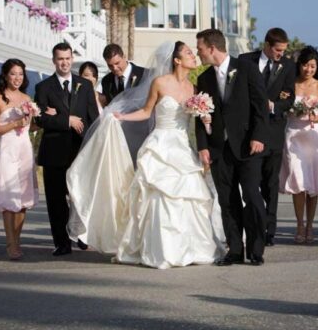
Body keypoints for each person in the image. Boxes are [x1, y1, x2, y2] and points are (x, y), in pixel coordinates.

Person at [66, 41, 224, 269]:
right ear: (176, 60)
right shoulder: (159, 83)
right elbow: (146, 111)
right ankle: (161, 248)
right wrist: (121, 118)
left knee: (188, 195)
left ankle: (192, 247)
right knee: (158, 195)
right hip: (161, 144)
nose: (193, 55)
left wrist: (206, 119)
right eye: (188, 53)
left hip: (182, 147)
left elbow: (198, 121)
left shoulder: (194, 87)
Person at [195, 29, 269, 266]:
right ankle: (235, 249)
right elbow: (200, 114)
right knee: (227, 201)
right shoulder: (204, 78)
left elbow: (260, 106)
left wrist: (258, 136)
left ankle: (257, 248)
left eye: (200, 49)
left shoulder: (246, 68)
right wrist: (203, 146)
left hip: (249, 146)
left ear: (212, 48)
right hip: (219, 149)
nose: (198, 53)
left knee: (251, 195)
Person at [34, 43, 99, 256]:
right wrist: (66, 120)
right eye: (60, 59)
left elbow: (93, 119)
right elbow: (40, 118)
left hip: (79, 152)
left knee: (80, 196)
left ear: (72, 59)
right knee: (56, 201)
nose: (64, 62)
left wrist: (88, 142)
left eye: (68, 58)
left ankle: (81, 236)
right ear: (54, 60)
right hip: (54, 153)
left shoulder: (84, 85)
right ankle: (62, 243)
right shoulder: (43, 87)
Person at [238, 28, 296, 246]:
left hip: (273, 132)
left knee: (270, 184)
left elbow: (289, 97)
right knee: (251, 184)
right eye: (278, 50)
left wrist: (275, 106)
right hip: (249, 133)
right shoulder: (245, 61)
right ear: (267, 45)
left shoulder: (288, 66)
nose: (281, 54)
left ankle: (268, 230)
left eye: (283, 50)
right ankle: (252, 225)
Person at [0, 59, 38, 260]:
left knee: (23, 199)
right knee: (9, 198)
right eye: (13, 74)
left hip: (24, 148)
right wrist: (14, 123)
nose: (17, 78)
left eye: (21, 74)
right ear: (6, 75)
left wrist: (42, 121)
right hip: (8, 150)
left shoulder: (27, 98)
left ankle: (18, 239)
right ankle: (10, 243)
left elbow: (29, 126)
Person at [278, 46, 318, 244]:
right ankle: (300, 224)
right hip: (293, 134)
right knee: (298, 180)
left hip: (311, 134)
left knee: (312, 183)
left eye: (312, 66)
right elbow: (282, 105)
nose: (308, 70)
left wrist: (315, 118)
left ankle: (310, 224)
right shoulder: (290, 84)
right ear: (299, 65)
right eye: (305, 65)